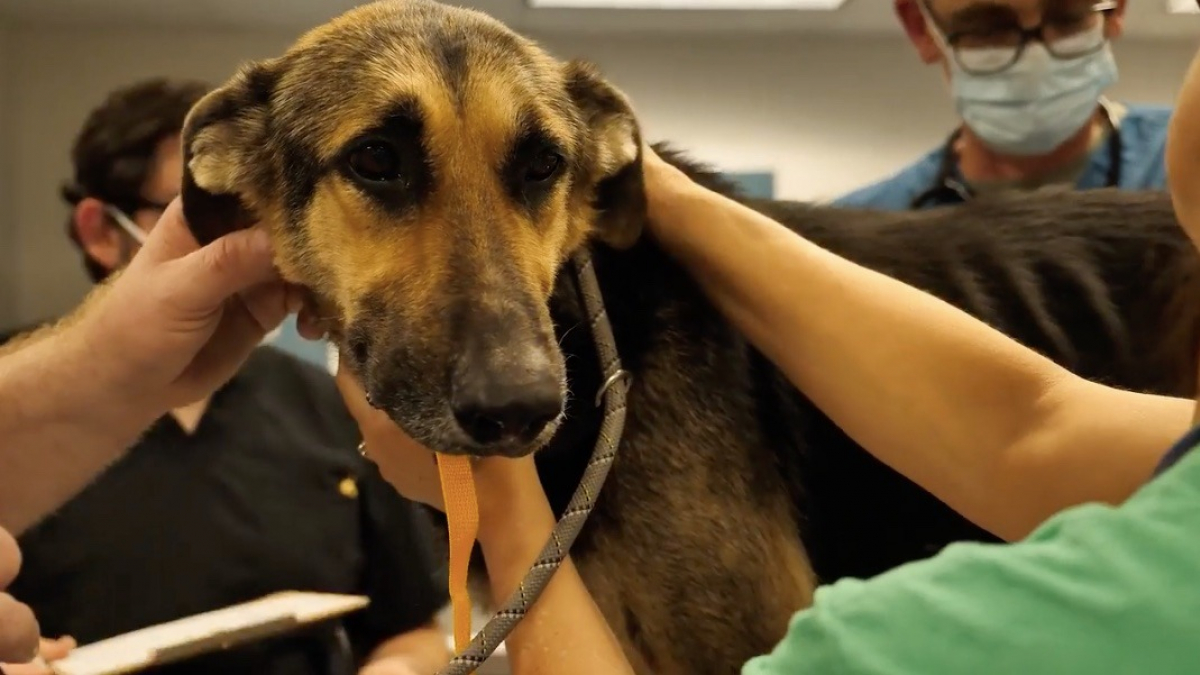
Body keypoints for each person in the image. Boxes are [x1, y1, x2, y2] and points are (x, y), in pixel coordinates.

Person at [321, 30, 1200, 675]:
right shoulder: (1166, 472)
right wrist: (656, 186)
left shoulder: (899, 642)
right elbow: (1028, 425)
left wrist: (502, 497)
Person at [0, 78, 451, 675]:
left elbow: (411, 630)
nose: (249, 235)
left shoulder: (332, 407)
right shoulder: (26, 409)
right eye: (208, 208)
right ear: (102, 232)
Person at [833, 0, 1170, 210]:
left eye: (1066, 16)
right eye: (987, 28)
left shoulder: (1184, 167)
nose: (1035, 61)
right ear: (920, 28)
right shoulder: (859, 243)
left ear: (1117, 7)